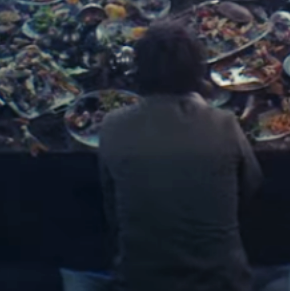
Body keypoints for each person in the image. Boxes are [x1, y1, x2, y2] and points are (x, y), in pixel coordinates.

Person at [97, 23, 263, 291]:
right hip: (223, 284)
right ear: (198, 73)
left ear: (139, 73)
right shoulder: (224, 124)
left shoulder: (112, 126)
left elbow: (111, 210)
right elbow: (251, 186)